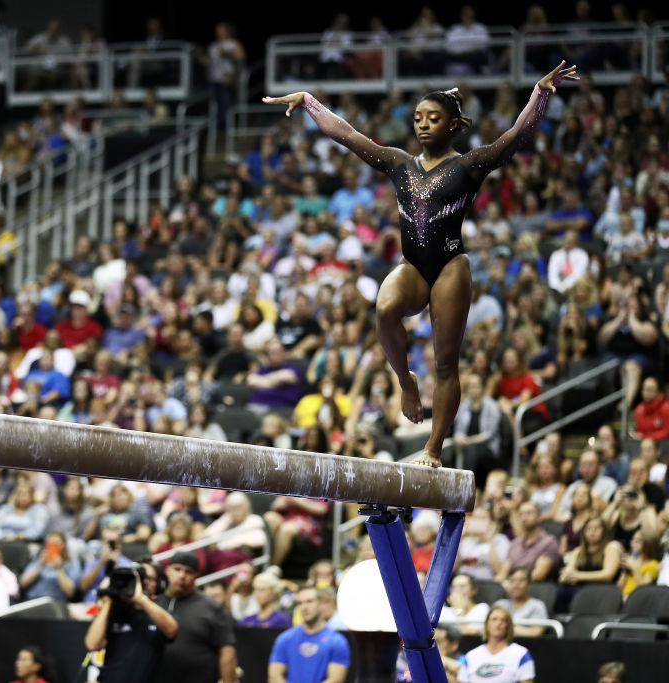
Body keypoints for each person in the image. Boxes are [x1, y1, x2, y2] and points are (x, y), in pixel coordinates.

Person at [264, 61, 578, 468]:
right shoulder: (399, 164)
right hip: (413, 265)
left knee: (446, 362)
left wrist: (540, 95)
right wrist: (309, 101)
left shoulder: (468, 166)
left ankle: (433, 448)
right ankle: (405, 381)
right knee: (384, 308)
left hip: (450, 266)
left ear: (451, 125)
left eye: (433, 118)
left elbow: (517, 136)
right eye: (417, 118)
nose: (423, 125)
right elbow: (347, 135)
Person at [84, 561, 179, 683]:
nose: (144, 582)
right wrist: (107, 600)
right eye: (138, 578)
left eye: (149, 579)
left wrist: (141, 599)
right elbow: (93, 644)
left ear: (158, 584)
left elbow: (172, 630)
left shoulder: (161, 610)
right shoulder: (114, 610)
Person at [154, 552, 237, 683]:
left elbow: (227, 650)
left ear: (196, 576)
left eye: (189, 572)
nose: (182, 576)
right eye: (177, 569)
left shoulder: (211, 607)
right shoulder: (155, 604)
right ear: (167, 571)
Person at [268, 584, 350, 683]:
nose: (304, 607)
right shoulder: (285, 638)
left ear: (321, 603)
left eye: (309, 601)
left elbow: (336, 680)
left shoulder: (337, 641)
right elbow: (274, 676)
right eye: (300, 603)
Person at [458, 605, 534, 682]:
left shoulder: (521, 654)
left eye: (503, 620)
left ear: (509, 626)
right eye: (494, 619)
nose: (498, 623)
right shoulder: (471, 656)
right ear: (486, 624)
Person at [494, 568, 548, 637]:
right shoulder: (500, 605)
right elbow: (488, 629)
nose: (516, 584)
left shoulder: (537, 605)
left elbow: (536, 632)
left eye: (521, 580)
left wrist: (504, 628)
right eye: (512, 580)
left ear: (529, 584)